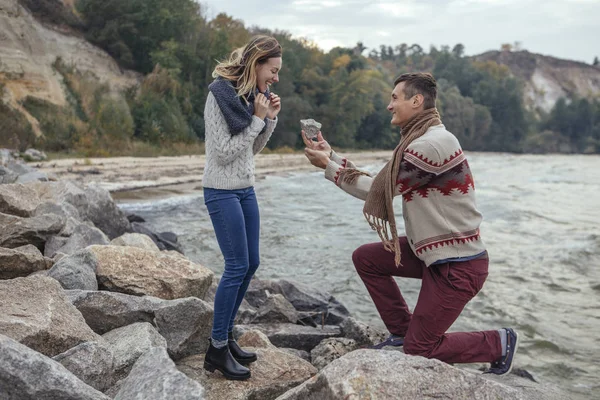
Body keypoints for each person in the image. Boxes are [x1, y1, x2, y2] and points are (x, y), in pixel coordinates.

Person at [302, 72, 518, 375]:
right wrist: (332, 156)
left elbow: (379, 190)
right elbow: (383, 180)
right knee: (366, 258)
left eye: (395, 98)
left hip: (457, 266)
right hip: (431, 253)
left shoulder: (432, 144)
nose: (390, 105)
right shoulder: (420, 139)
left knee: (420, 350)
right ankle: (403, 331)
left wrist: (330, 168)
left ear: (416, 101)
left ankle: (497, 342)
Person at [202, 35, 282, 381]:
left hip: (245, 190)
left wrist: (270, 119)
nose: (276, 78)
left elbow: (252, 149)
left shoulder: (251, 98)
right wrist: (255, 120)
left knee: (252, 263)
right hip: (221, 191)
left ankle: (227, 336)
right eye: (273, 70)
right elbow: (224, 152)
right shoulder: (219, 94)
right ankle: (216, 348)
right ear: (258, 63)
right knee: (235, 266)